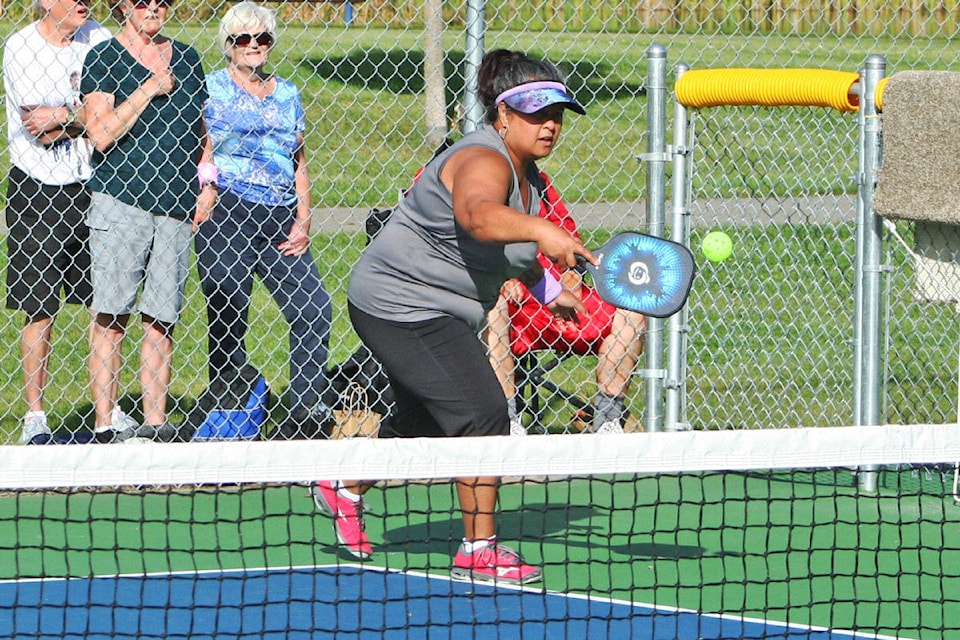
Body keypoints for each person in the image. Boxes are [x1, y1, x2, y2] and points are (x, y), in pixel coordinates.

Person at [313, 49, 592, 585]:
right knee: (483, 413)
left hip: (433, 308)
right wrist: (543, 231)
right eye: (536, 113)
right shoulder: (483, 160)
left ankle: (342, 487)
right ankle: (479, 548)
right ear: (502, 114)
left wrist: (547, 285)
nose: (550, 124)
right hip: (401, 303)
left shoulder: (527, 177)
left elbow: (503, 248)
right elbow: (478, 216)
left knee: (427, 419)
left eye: (557, 113)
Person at [195, 2, 333, 439]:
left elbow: (298, 158)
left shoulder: (288, 93)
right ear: (228, 45)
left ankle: (305, 411)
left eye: (262, 39)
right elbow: (203, 148)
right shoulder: (210, 88)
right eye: (243, 39)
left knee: (313, 308)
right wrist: (207, 189)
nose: (253, 46)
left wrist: (304, 218)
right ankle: (231, 408)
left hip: (280, 214)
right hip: (229, 207)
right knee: (228, 306)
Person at [78, 0, 208, 442]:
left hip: (175, 206)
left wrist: (206, 184)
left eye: (161, 3)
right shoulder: (104, 57)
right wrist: (149, 88)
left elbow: (202, 132)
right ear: (122, 7)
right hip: (121, 200)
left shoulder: (188, 58)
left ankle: (156, 424)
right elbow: (100, 133)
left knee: (161, 318)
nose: (153, 8)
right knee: (112, 314)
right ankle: (106, 424)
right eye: (141, 3)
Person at [3, 0, 113, 444]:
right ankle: (35, 417)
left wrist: (68, 116)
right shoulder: (20, 47)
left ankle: (108, 415)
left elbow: (118, 112)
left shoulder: (100, 39)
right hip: (37, 188)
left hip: (95, 184)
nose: (84, 2)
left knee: (106, 304)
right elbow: (38, 131)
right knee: (40, 308)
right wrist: (91, 118)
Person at [486, 172, 646, 435]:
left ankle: (608, 419)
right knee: (492, 307)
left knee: (631, 312)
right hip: (514, 307)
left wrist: (571, 275)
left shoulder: (538, 182)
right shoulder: (477, 176)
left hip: (558, 298)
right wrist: (500, 277)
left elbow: (568, 235)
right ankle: (507, 421)